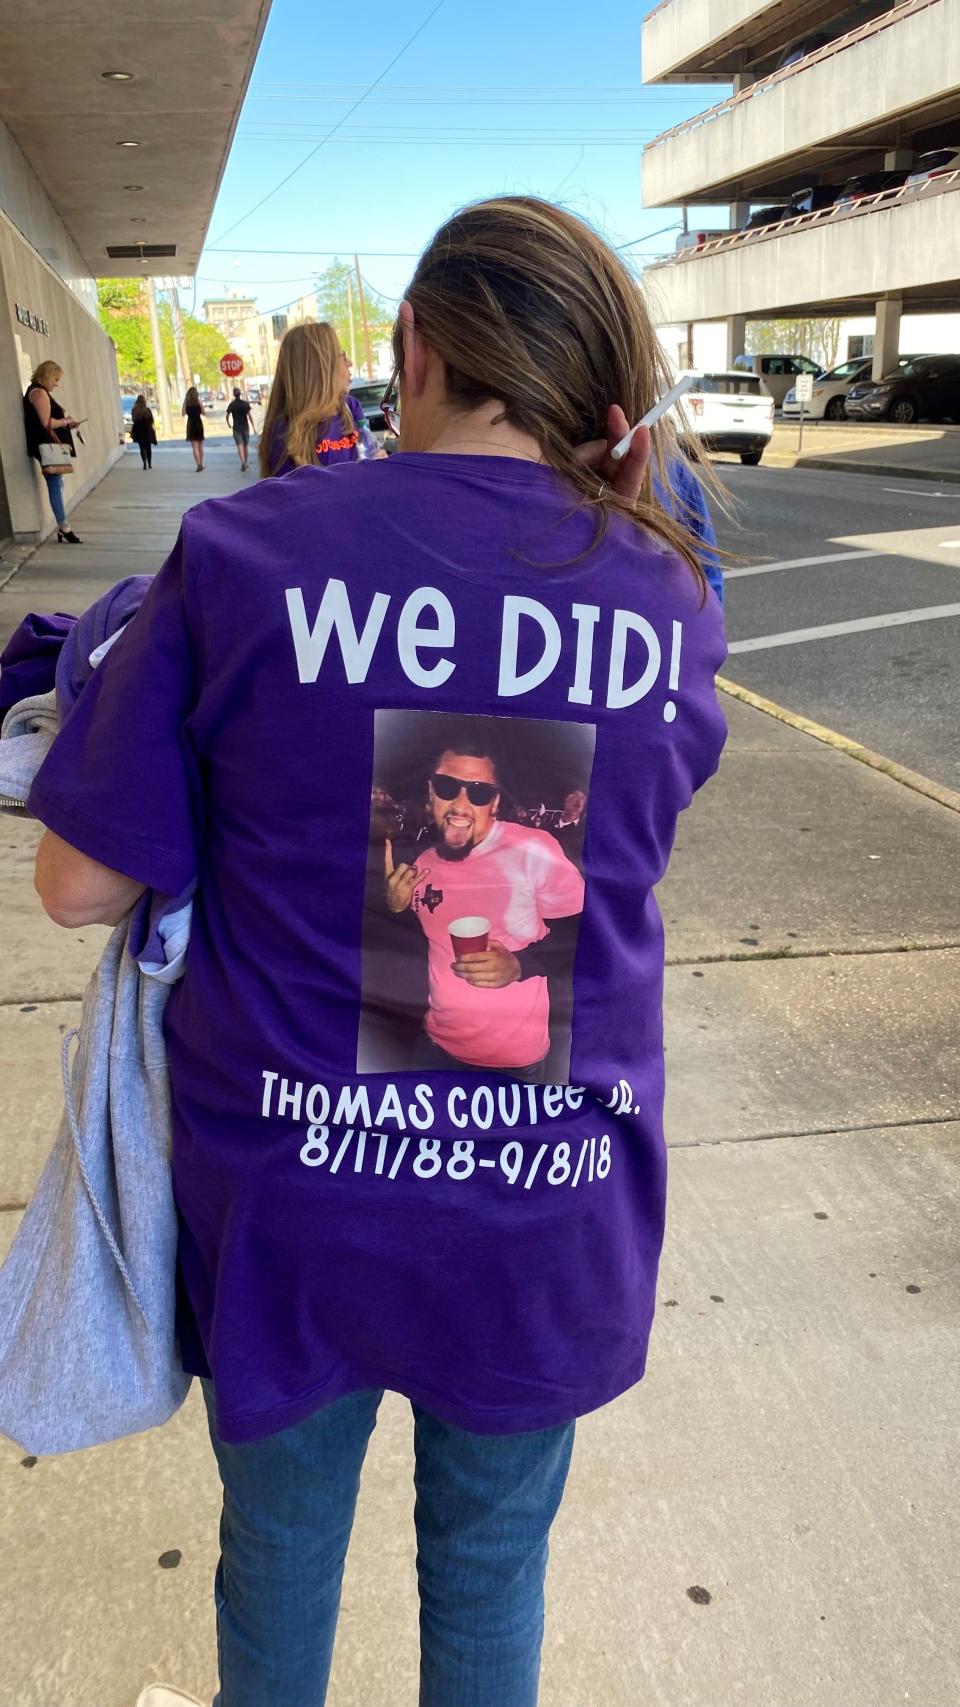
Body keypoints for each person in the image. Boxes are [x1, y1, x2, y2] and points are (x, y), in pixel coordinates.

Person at [29, 195, 727, 1707]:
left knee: (276, 1559)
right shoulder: (665, 597)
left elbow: (75, 884)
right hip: (545, 1203)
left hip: (295, 1203)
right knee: (489, 1571)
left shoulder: (239, 554)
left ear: (406, 351)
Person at [382, 736, 585, 1081]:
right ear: (431, 793)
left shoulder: (533, 850)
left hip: (514, 1062)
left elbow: (587, 933)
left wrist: (521, 964)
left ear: (494, 803)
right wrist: (394, 907)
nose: (460, 805)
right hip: (433, 1047)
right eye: (448, 787)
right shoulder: (421, 862)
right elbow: (410, 949)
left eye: (478, 792)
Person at [258, 320, 387, 477]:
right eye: (343, 356)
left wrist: (377, 464)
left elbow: (368, 453)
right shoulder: (285, 433)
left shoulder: (350, 407)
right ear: (321, 369)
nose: (350, 363)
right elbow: (296, 499)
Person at [22, 359, 82, 543]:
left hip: (47, 445)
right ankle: (64, 527)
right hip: (47, 447)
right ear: (47, 376)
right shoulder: (39, 393)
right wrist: (65, 421)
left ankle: (63, 525)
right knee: (55, 485)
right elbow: (47, 423)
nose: (57, 384)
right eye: (55, 379)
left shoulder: (38, 391)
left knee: (57, 484)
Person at [551, 786, 588, 872]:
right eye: (575, 795)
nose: (579, 802)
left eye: (583, 798)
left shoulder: (587, 834)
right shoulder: (547, 827)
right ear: (565, 799)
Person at [225, 387, 255, 472]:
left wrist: (229, 424)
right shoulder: (245, 404)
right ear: (240, 394)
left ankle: (243, 462)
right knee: (245, 446)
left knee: (239, 446)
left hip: (236, 428)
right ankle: (246, 462)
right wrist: (253, 427)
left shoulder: (232, 404)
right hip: (245, 427)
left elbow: (227, 416)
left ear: (234, 395)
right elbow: (249, 416)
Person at [129, 395, 156, 471]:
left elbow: (133, 419)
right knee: (148, 447)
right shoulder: (147, 410)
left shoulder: (134, 410)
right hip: (146, 429)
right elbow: (151, 420)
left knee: (141, 447)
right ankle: (149, 463)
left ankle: (144, 461)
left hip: (138, 429)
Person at [182, 386, 205, 472]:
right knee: (200, 446)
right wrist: (200, 405)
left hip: (191, 425)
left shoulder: (187, 403)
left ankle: (198, 464)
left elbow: (183, 414)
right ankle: (201, 464)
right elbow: (204, 413)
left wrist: (184, 403)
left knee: (194, 447)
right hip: (199, 424)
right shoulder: (198, 402)